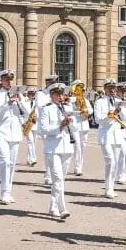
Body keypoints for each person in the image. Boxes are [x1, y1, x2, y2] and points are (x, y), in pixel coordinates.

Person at [0, 70, 27, 204]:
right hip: (1, 132)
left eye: (11, 80)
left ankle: (8, 191)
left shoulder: (19, 95)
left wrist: (20, 100)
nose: (9, 82)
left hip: (15, 133)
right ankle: (4, 192)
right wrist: (7, 104)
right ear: (1, 81)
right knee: (4, 162)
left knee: (12, 163)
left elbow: (26, 112)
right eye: (6, 80)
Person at [39, 82, 75, 220]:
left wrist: (71, 122)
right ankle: (62, 208)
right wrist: (60, 126)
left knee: (59, 180)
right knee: (58, 179)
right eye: (57, 94)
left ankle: (52, 206)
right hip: (52, 148)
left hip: (67, 147)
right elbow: (44, 130)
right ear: (51, 95)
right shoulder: (46, 109)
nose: (60, 97)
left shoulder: (67, 108)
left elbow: (75, 128)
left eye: (61, 94)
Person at [94, 80, 125, 198]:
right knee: (110, 161)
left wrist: (122, 111)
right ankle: (108, 188)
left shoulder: (119, 101)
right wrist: (111, 115)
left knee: (115, 162)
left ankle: (111, 186)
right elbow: (98, 120)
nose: (112, 90)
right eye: (109, 88)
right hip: (105, 135)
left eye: (114, 88)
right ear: (105, 88)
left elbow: (125, 118)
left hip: (116, 136)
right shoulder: (100, 102)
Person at [68, 80, 91, 176]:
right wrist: (79, 112)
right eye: (78, 88)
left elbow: (91, 109)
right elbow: (68, 111)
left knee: (83, 147)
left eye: (81, 88)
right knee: (77, 146)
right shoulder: (71, 99)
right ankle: (77, 167)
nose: (80, 90)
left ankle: (80, 166)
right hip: (75, 125)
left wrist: (86, 110)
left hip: (84, 125)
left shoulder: (85, 100)